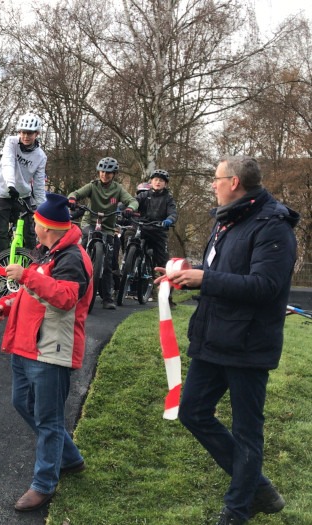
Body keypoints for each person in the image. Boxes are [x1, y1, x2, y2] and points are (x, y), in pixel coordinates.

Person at [162, 156, 297, 525]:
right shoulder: (228, 219)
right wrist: (185, 273)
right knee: (192, 412)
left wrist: (204, 280)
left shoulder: (274, 226)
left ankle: (237, 510)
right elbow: (223, 271)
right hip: (214, 338)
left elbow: (266, 286)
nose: (212, 184)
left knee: (247, 432)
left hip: (249, 345)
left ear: (234, 182)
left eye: (216, 179)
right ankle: (259, 489)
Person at [0, 193, 93, 511]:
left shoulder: (73, 257)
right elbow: (32, 294)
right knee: (22, 403)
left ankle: (44, 484)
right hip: (27, 345)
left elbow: (64, 298)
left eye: (36, 224)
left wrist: (27, 276)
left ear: (49, 227)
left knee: (48, 421)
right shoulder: (46, 253)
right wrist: (6, 305)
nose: (33, 229)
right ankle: (70, 458)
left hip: (52, 351)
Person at [67, 157, 137, 310]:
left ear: (114, 174)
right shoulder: (93, 186)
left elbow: (132, 200)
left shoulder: (118, 189)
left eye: (109, 173)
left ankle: (107, 298)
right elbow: (76, 193)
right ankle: (74, 291)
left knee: (107, 264)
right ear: (99, 172)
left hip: (108, 228)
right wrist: (72, 198)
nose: (105, 175)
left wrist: (130, 208)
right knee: (79, 256)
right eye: (102, 171)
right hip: (90, 223)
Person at [0, 114, 47, 256]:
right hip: (1, 192)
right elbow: (8, 162)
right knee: (0, 234)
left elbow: (39, 184)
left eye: (30, 133)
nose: (26, 136)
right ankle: (0, 271)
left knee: (29, 235)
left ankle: (31, 266)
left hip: (22, 195)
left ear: (37, 134)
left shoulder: (40, 156)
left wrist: (41, 208)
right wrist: (10, 185)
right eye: (23, 132)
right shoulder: (11, 142)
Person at [134, 169, 177, 269]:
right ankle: (128, 263)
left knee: (163, 260)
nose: (158, 182)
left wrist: (169, 220)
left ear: (165, 184)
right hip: (142, 227)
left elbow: (173, 213)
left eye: (161, 181)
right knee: (129, 237)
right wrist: (124, 208)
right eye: (156, 180)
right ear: (151, 181)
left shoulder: (168, 198)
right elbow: (133, 202)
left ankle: (164, 281)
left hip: (158, 230)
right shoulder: (144, 195)